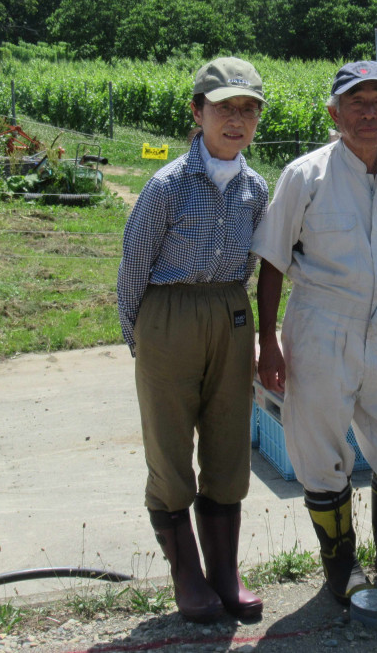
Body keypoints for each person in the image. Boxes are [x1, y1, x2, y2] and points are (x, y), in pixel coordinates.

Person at [252, 61, 377, 604]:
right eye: (355, 102)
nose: (368, 112)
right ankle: (341, 567)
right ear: (333, 113)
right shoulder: (305, 175)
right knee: (320, 452)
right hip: (321, 324)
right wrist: (268, 342)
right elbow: (272, 261)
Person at [117, 57, 268, 622]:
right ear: (197, 112)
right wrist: (141, 338)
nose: (236, 120)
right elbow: (134, 266)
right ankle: (188, 575)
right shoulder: (167, 186)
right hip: (168, 312)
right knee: (170, 446)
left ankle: (225, 574)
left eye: (248, 109)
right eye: (224, 108)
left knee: (229, 443)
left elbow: (253, 263)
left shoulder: (255, 189)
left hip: (229, 310)